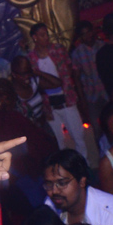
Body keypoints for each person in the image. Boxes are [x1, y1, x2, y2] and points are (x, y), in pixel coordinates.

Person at [27, 23, 91, 162]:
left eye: (46, 34)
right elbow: (36, 82)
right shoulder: (31, 57)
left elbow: (68, 70)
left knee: (78, 136)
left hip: (66, 98)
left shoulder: (57, 49)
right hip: (48, 103)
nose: (46, 37)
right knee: (59, 141)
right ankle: (65, 167)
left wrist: (67, 84)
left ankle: (84, 164)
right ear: (35, 37)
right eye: (42, 35)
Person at [71, 21, 108, 139]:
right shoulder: (77, 53)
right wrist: (82, 100)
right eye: (84, 34)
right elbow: (76, 79)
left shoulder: (103, 46)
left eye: (89, 32)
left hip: (107, 92)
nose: (88, 36)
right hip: (91, 96)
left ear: (93, 31)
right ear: (80, 37)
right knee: (97, 128)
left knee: (112, 123)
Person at [10, 55, 52, 128]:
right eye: (23, 74)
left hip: (43, 125)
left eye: (28, 72)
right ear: (14, 74)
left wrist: (39, 73)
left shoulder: (34, 82)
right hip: (29, 130)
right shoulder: (12, 94)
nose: (27, 76)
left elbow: (57, 83)